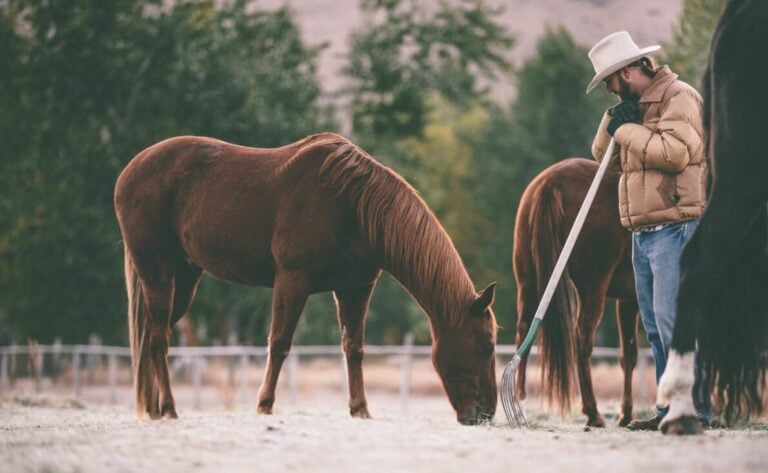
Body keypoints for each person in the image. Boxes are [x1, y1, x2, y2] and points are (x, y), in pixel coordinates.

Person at [586, 31, 712, 430]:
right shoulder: (633, 107)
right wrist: (613, 124)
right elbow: (601, 156)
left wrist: (626, 131)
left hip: (676, 226)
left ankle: (695, 409)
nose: (608, 90)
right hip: (643, 231)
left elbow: (674, 154)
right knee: (656, 326)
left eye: (609, 80)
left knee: (675, 322)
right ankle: (668, 408)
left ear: (627, 72)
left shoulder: (679, 97)